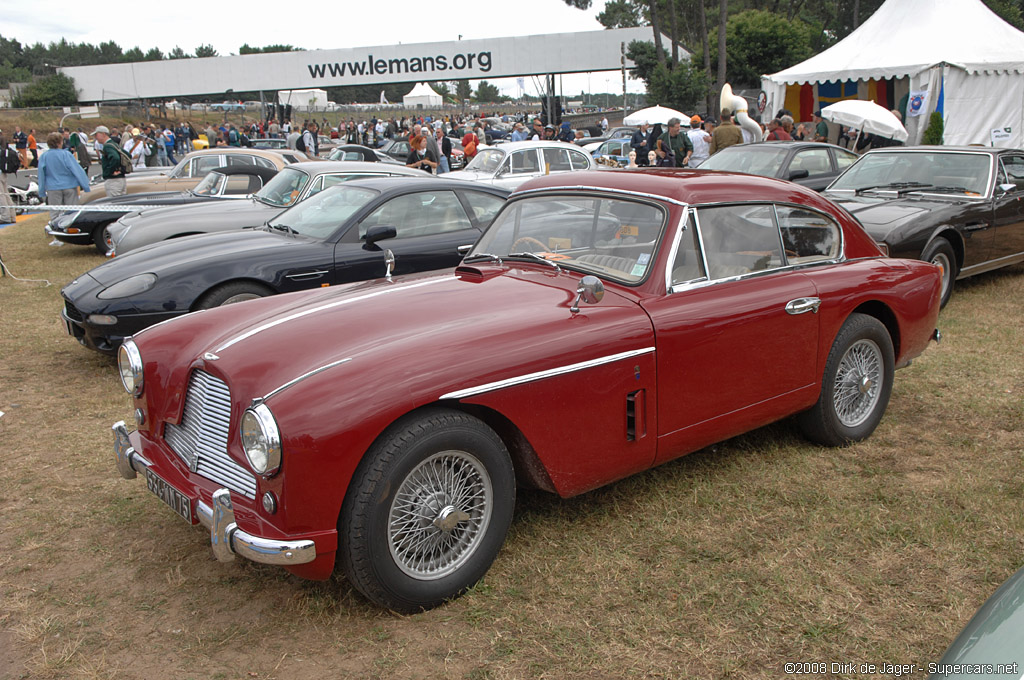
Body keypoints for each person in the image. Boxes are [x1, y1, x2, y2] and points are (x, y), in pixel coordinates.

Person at [38, 132, 91, 221]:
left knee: (55, 213)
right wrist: (85, 186)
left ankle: (57, 228)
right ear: (60, 143)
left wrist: (41, 191)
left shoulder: (44, 156)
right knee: (72, 212)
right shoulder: (66, 155)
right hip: (69, 186)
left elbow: (41, 174)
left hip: (53, 188)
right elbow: (77, 170)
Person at [94, 125, 128, 198]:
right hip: (121, 179)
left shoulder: (107, 146)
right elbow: (128, 154)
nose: (95, 137)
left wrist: (111, 170)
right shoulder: (114, 144)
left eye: (96, 135)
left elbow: (115, 158)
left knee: (114, 204)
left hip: (113, 180)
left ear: (103, 134)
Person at [0, 132, 19, 223]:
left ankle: (5, 216)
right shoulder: (4, 145)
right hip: (3, 173)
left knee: (1, 196)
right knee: (6, 194)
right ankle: (12, 216)